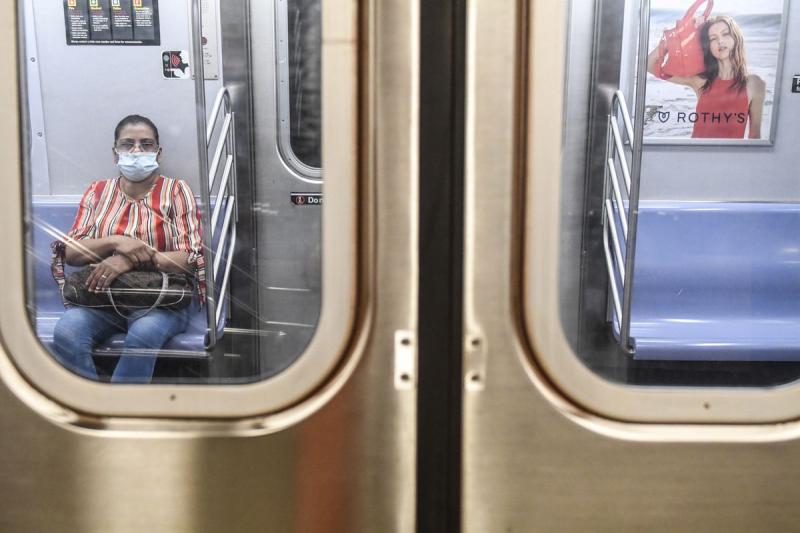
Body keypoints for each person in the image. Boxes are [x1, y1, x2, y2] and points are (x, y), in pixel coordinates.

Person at [51, 115, 205, 383]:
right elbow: (73, 253)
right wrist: (115, 241)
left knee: (143, 335)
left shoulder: (177, 191)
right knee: (67, 332)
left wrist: (128, 261)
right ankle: (90, 407)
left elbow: (189, 257)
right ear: (115, 154)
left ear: (158, 152)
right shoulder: (97, 192)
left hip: (160, 300)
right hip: (101, 299)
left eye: (146, 144)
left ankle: (118, 412)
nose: (137, 151)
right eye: (127, 144)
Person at [648, 14, 766, 139]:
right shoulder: (701, 80)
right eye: (713, 39)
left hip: (731, 156)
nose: (720, 41)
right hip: (697, 154)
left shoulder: (755, 84)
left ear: (736, 38)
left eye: (725, 34)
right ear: (708, 46)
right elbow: (650, 65)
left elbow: (754, 136)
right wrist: (673, 38)